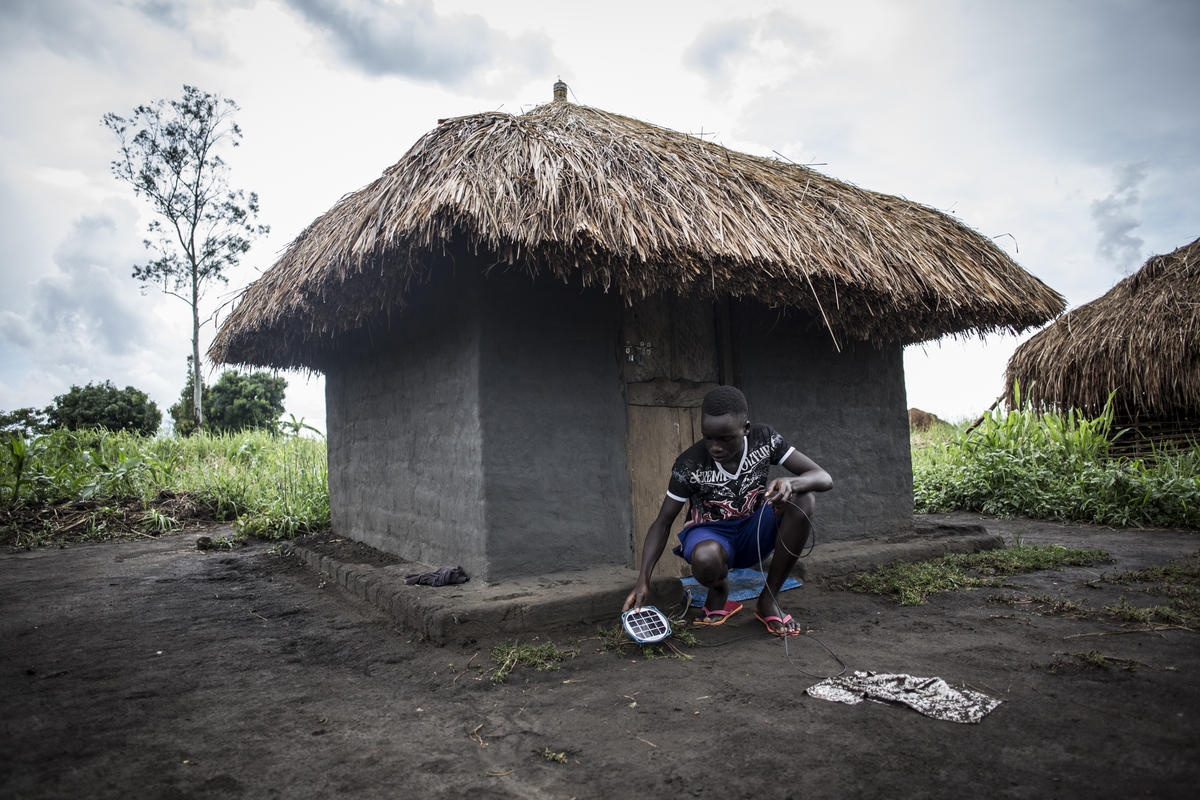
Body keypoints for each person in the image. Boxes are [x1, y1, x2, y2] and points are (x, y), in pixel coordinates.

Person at [622, 386, 832, 636]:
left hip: (753, 530)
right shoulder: (689, 464)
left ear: (746, 428)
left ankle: (768, 600)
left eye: (724, 439)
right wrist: (643, 579)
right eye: (708, 437)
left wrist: (791, 483)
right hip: (711, 536)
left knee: (803, 498)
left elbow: (823, 477)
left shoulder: (764, 439)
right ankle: (719, 589)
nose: (715, 447)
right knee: (706, 556)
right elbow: (662, 522)